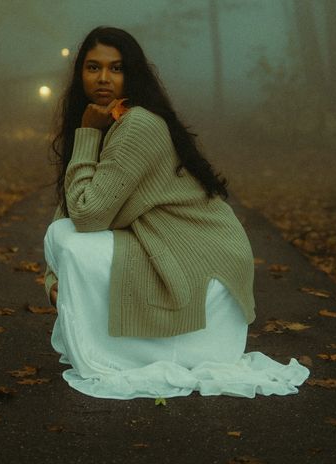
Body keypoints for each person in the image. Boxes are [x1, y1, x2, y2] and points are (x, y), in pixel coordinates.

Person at [43, 26, 309, 399]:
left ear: (131, 73)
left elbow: (87, 217)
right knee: (62, 235)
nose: (104, 78)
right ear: (80, 74)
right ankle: (118, 346)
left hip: (201, 254)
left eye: (116, 68)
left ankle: (115, 352)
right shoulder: (109, 122)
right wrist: (54, 278)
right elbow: (71, 208)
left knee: (66, 239)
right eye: (93, 67)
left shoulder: (138, 124)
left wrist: (87, 134)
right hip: (164, 242)